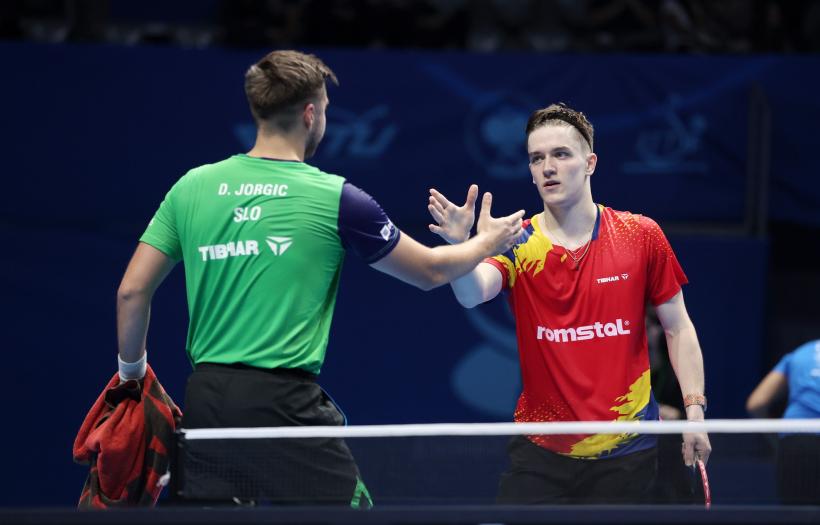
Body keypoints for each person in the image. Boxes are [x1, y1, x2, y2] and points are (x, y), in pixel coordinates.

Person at [114, 49, 524, 507]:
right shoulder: (336, 197)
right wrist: (487, 242)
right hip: (283, 406)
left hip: (205, 400)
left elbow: (132, 291)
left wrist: (132, 378)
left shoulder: (192, 186)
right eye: (326, 108)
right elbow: (430, 272)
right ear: (311, 114)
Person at [427, 102, 710, 504]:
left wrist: (694, 413)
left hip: (629, 450)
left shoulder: (640, 235)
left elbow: (678, 326)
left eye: (561, 154)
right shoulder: (517, 243)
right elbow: (472, 294)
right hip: (541, 451)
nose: (548, 168)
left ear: (590, 163)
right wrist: (463, 247)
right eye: (536, 158)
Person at [746, 339, 820, 505]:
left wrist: (776, 440)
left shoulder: (799, 353)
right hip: (797, 441)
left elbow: (756, 403)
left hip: (795, 442)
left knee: (796, 513)